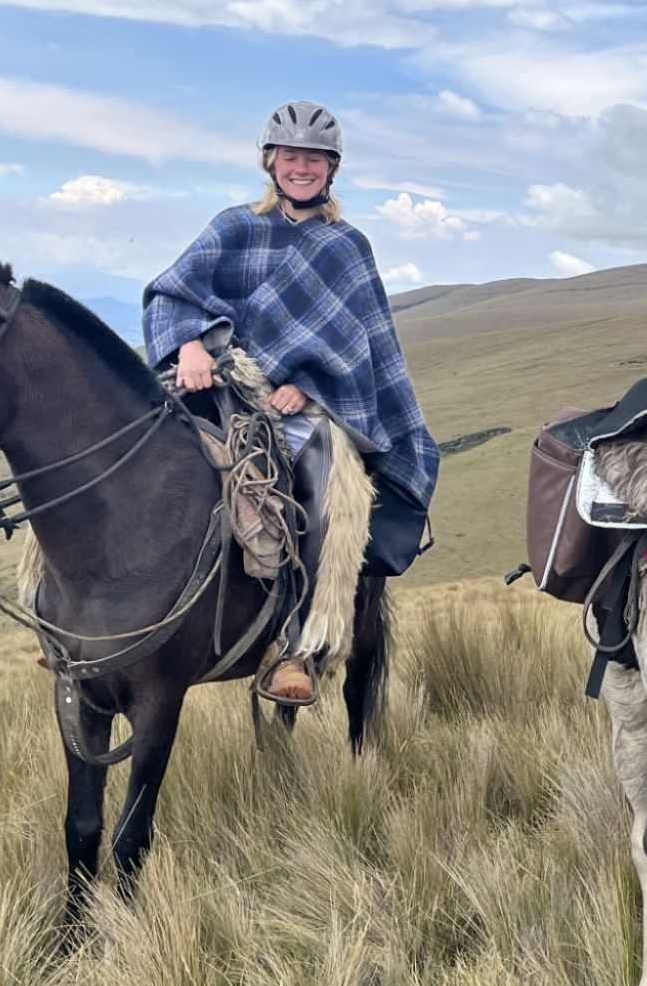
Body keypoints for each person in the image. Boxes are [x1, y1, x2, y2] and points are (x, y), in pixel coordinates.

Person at [143, 100, 439, 704]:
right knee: (125, 448)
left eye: (314, 158)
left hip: (299, 408)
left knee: (328, 481)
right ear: (271, 161)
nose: (301, 167)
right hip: (216, 385)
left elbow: (362, 344)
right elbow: (172, 291)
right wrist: (189, 345)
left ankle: (294, 645)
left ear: (331, 169)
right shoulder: (233, 227)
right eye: (291, 156)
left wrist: (313, 385)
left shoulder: (347, 247)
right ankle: (96, 625)